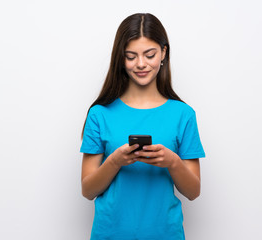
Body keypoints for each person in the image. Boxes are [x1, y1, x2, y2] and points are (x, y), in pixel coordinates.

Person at [80, 13, 205, 240]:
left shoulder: (183, 115)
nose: (141, 64)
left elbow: (193, 192)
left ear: (163, 53)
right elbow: (88, 190)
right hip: (110, 234)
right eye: (130, 56)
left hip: (165, 234)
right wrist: (115, 161)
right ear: (120, 58)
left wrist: (172, 162)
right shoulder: (100, 114)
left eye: (149, 55)